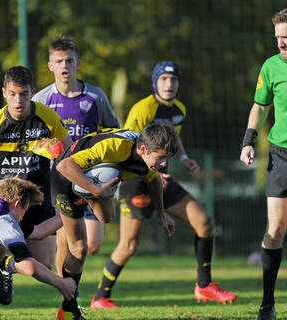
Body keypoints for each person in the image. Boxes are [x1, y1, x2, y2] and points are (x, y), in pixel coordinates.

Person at [90, 61, 237, 310]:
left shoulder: (179, 109)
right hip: (136, 180)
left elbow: (173, 138)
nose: (169, 84)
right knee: (129, 244)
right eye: (164, 80)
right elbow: (130, 147)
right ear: (155, 83)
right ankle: (100, 297)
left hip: (162, 179)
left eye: (174, 80)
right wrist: (151, 173)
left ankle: (204, 286)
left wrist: (184, 158)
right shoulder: (143, 109)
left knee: (204, 223)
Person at [0, 66, 72, 306]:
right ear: (4, 92)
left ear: (32, 92)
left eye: (24, 94)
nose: (18, 100)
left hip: (37, 197)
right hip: (4, 204)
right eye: (13, 94)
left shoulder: (48, 117)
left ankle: (8, 268)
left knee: (43, 262)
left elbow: (71, 151)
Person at [51, 123, 179, 320]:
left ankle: (50, 225)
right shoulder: (114, 147)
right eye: (160, 158)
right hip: (66, 178)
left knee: (107, 218)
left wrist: (161, 214)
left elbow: (154, 181)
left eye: (166, 159)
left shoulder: (145, 158)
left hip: (96, 181)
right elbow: (64, 166)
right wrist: (95, 191)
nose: (163, 164)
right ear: (143, 149)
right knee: (79, 248)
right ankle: (68, 309)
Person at [32, 38, 119, 278]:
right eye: (58, 61)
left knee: (92, 244)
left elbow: (113, 130)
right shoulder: (42, 99)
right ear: (50, 65)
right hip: (60, 178)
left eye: (69, 60)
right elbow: (30, 137)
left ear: (78, 63)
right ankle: (67, 294)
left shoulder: (95, 96)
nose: (64, 65)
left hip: (91, 175)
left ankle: (68, 284)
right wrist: (47, 147)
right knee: (65, 238)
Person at [0, 177, 76, 320]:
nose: (24, 216)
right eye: (26, 209)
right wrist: (62, 284)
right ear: (17, 203)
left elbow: (39, 231)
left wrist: (71, 209)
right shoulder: (3, 221)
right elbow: (29, 266)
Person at [240, 8, 287, 320]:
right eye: (278, 38)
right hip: (281, 154)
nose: (282, 44)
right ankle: (267, 304)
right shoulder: (271, 66)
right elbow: (259, 106)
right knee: (275, 226)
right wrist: (247, 140)